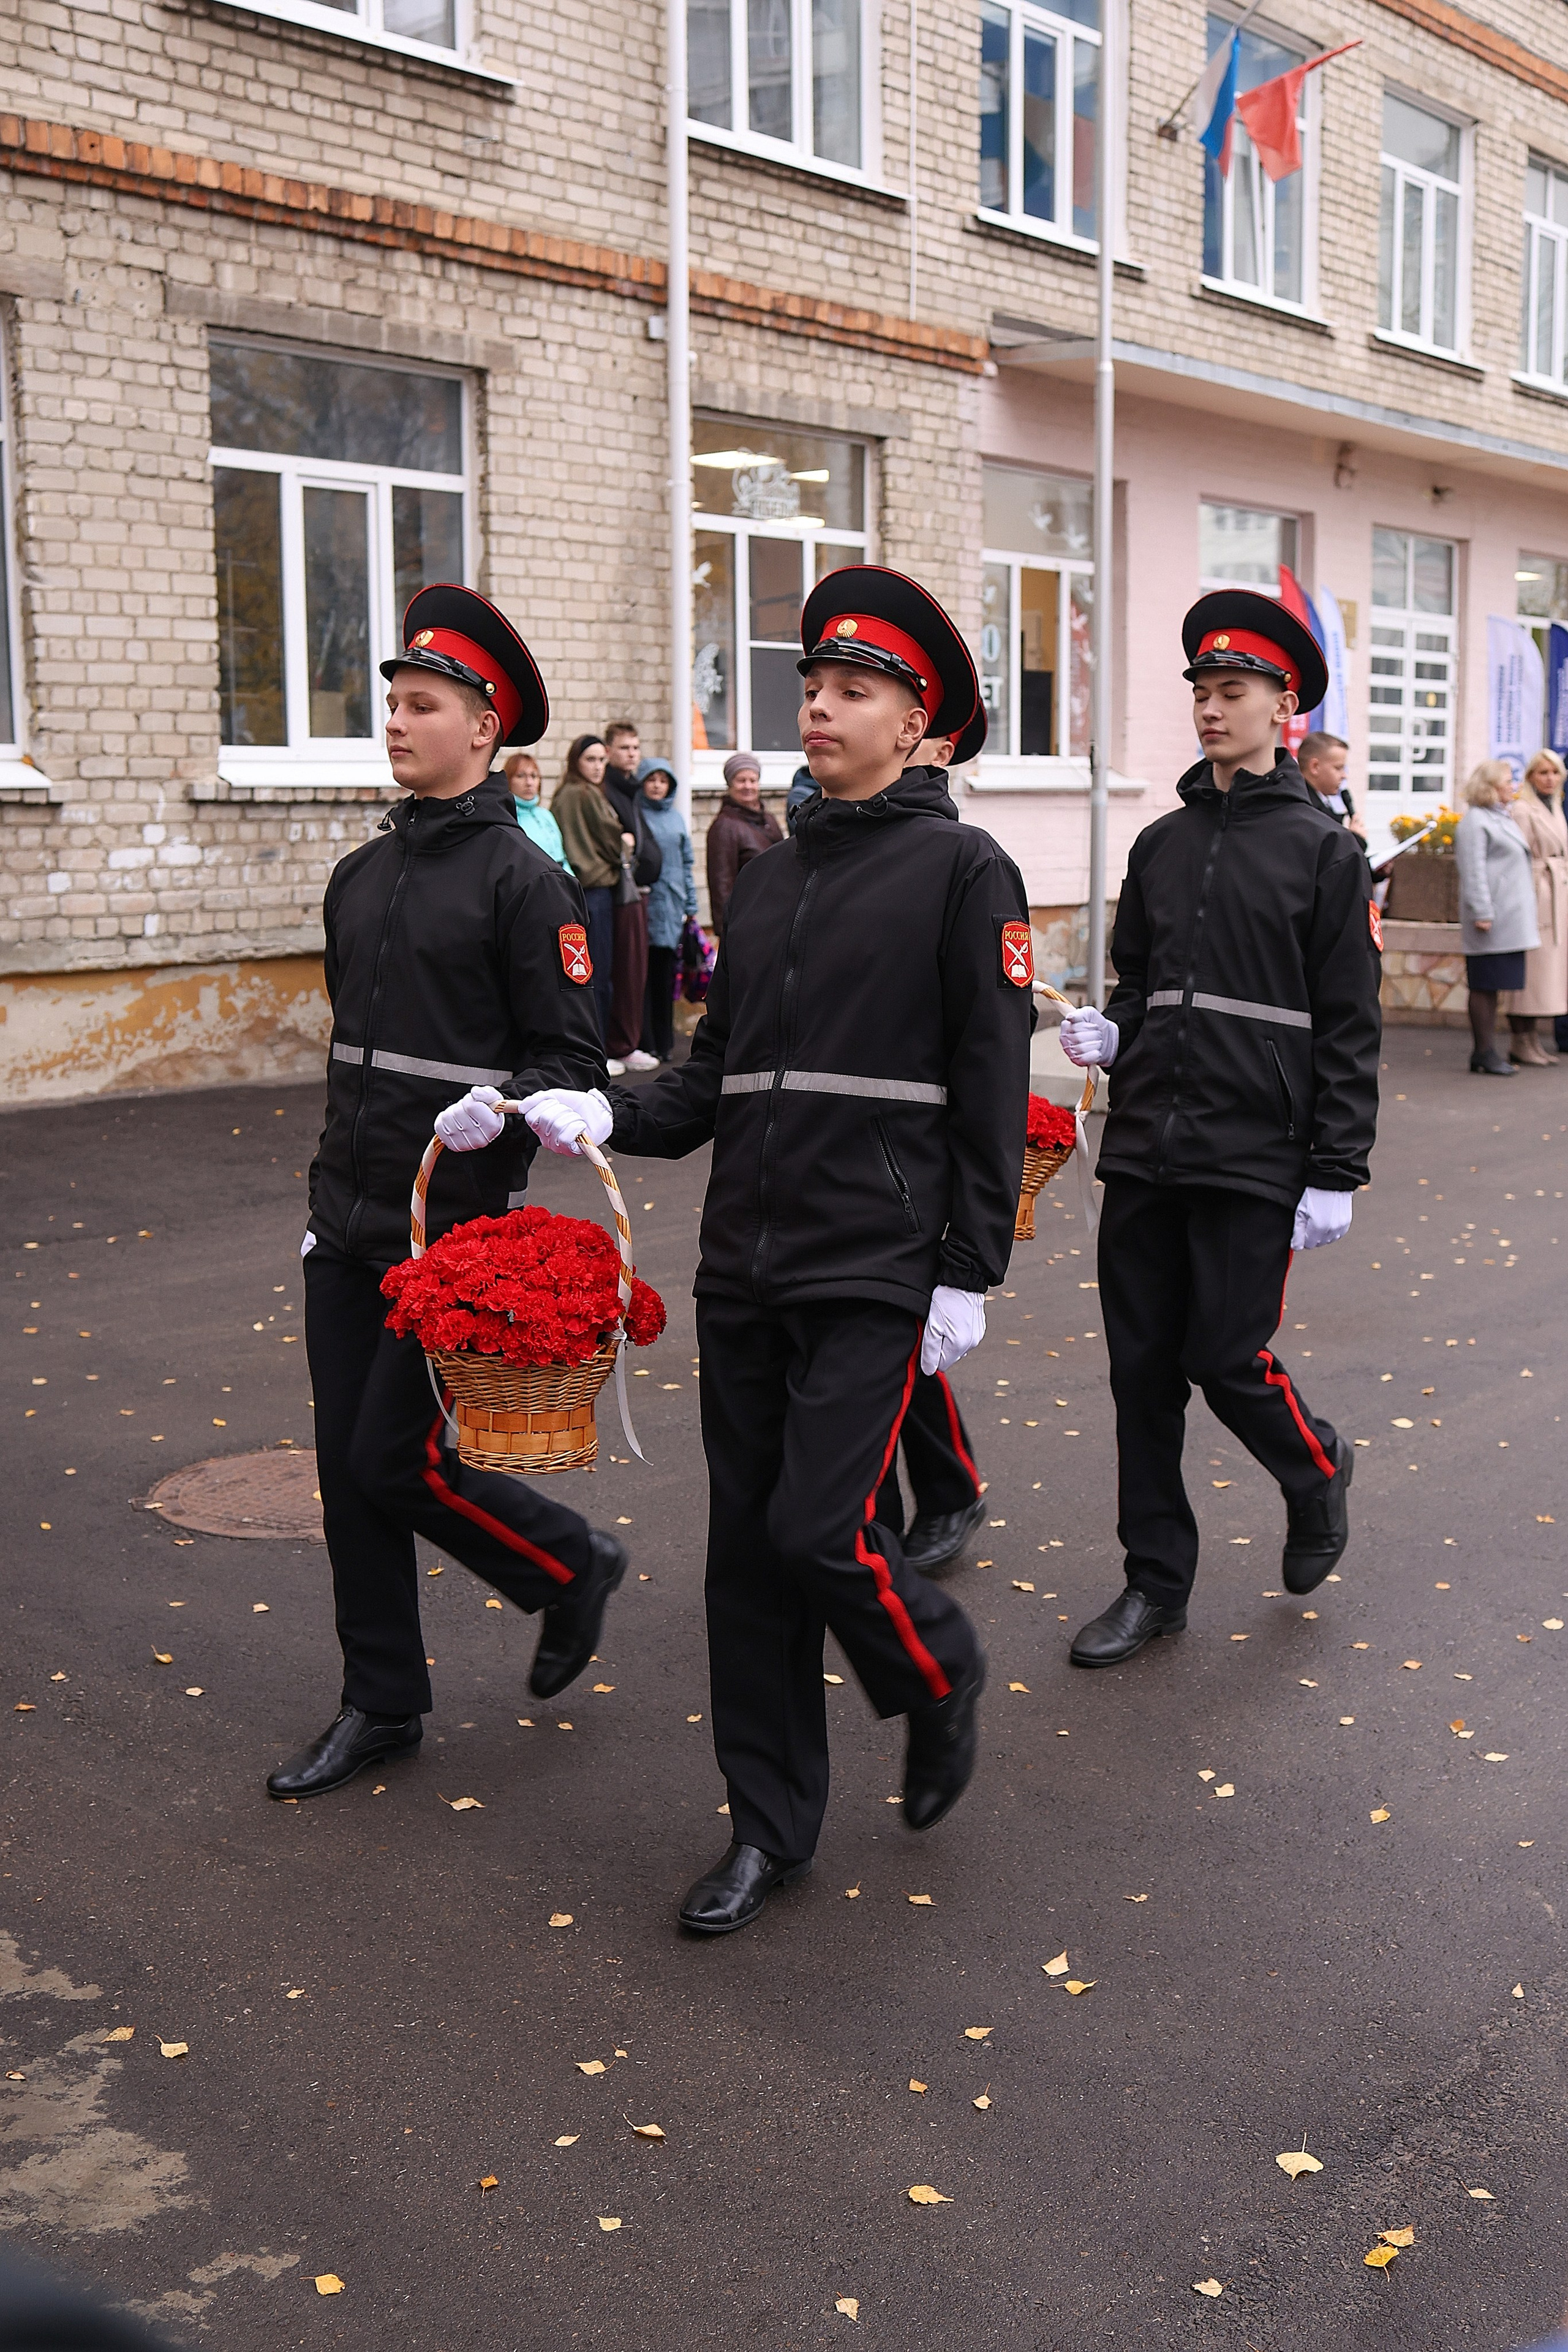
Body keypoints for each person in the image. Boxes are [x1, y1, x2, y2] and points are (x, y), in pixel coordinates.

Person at [521, 565, 1033, 1936]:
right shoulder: (780, 871)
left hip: (875, 1259)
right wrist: (603, 1110)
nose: (818, 707)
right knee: (746, 1560)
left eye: (851, 690)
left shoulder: (964, 870)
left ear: (919, 723)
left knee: (820, 1529)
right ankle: (768, 1828)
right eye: (810, 687)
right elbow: (713, 1084)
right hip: (744, 1259)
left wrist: (965, 1269)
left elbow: (990, 1082)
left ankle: (934, 1669)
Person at [268, 586, 627, 1803]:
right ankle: (380, 1701)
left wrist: (507, 1108)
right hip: (347, 1218)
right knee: (345, 1471)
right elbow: (350, 1051)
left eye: (422, 706)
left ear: (483, 730)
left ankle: (566, 1565)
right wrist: (325, 1197)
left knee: (390, 1460)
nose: (397, 724)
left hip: (457, 1233)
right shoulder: (361, 877)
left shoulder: (523, 882)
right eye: (393, 704)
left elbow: (570, 1058)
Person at [1059, 587, 1381, 1665]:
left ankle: (1315, 1467)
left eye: (1231, 690)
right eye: (1200, 690)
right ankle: (1156, 1585)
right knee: (1142, 1373)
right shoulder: (1160, 843)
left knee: (1226, 1354)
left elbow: (1347, 1022)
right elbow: (1142, 981)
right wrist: (1120, 1033)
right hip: (1148, 1145)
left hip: (1258, 1150)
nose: (1209, 708)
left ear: (1282, 705)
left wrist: (1335, 1165)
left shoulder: (1324, 852)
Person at [878, 702, 993, 1574]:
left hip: (906, 1165)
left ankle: (947, 1490)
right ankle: (869, 1528)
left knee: (899, 1346)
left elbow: (984, 1061)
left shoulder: (958, 866)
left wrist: (971, 1258)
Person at [1455, 760, 1539, 1077]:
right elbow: (1472, 870)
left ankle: (1486, 1052)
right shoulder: (1475, 822)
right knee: (1484, 985)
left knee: (1494, 986)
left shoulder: (1498, 817)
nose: (1513, 785)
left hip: (1508, 916)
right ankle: (1483, 1052)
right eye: (1508, 780)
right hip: (1492, 918)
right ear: (1490, 786)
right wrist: (1482, 911)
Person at [551, 733, 626, 1061]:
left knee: (580, 972)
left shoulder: (562, 794)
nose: (598, 768)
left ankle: (587, 1050)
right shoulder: (586, 795)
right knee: (598, 973)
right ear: (576, 762)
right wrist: (625, 844)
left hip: (572, 892)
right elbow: (613, 842)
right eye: (590, 760)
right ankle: (599, 1052)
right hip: (595, 891)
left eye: (601, 760)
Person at [601, 720, 661, 1072]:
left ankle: (628, 1042)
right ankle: (619, 1044)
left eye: (636, 748)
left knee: (635, 972)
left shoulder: (630, 789)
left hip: (639, 894)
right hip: (620, 895)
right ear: (609, 752)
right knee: (622, 970)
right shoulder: (608, 788)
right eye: (625, 748)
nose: (632, 755)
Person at [1502, 749, 1568, 1065]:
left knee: (1547, 973)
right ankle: (1521, 1040)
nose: (1550, 779)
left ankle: (1531, 1041)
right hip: (1536, 894)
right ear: (1530, 777)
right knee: (1531, 971)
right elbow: (1520, 858)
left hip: (1555, 893)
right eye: (1543, 773)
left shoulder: (1553, 807)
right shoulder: (1523, 810)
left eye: (1555, 773)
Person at [635, 756, 698, 1064]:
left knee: (665, 978)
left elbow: (687, 863)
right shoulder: (635, 815)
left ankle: (664, 1042)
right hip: (645, 905)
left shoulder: (676, 818)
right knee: (642, 978)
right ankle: (645, 1041)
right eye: (651, 780)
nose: (657, 786)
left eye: (663, 781)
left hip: (672, 907)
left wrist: (691, 905)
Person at [706, 751, 783, 934]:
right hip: (747, 920)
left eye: (753, 780)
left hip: (775, 915)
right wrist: (727, 929)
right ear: (730, 784)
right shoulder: (724, 827)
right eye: (741, 780)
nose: (748, 786)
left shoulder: (769, 820)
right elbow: (721, 884)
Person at [1298, 731, 1370, 847]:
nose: (1344, 776)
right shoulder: (1306, 807)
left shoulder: (1321, 802)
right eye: (1338, 768)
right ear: (1315, 767)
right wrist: (1355, 840)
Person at [504, 749, 571, 871]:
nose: (529, 783)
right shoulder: (507, 817)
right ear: (509, 780)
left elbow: (561, 857)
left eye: (534, 776)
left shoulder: (545, 815)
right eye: (521, 776)